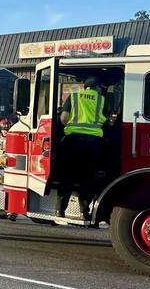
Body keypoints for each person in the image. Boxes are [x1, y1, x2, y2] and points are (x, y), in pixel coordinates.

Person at [55, 76, 108, 220]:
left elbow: (64, 118)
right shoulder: (102, 99)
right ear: (97, 88)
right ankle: (85, 213)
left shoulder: (74, 97)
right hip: (94, 143)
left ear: (85, 87)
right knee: (87, 177)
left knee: (68, 176)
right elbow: (109, 120)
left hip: (73, 141)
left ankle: (60, 211)